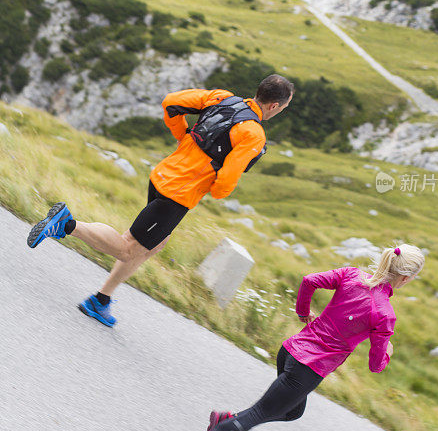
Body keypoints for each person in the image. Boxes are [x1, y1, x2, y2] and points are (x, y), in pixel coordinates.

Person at [27, 74, 294, 326]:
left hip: (163, 175)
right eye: (284, 107)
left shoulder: (223, 97)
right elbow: (222, 187)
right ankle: (66, 224)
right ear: (274, 106)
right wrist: (211, 177)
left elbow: (171, 102)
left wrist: (183, 138)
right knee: (127, 248)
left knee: (154, 244)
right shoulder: (253, 135)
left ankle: (101, 299)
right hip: (178, 195)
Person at [170, 244, 425, 431]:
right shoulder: (384, 313)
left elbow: (309, 280)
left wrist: (303, 313)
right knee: (259, 413)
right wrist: (387, 351)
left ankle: (226, 422)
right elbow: (375, 365)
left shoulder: (351, 274)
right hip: (308, 370)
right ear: (405, 278)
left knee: (293, 411)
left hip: (291, 351)